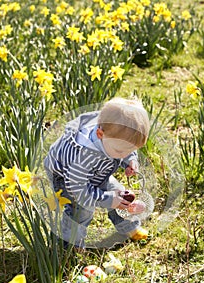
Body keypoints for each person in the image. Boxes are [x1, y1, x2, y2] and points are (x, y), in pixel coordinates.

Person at [44, 97, 150, 248]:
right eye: (121, 151)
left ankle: (128, 227)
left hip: (96, 169)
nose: (124, 154)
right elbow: (79, 190)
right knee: (82, 209)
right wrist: (107, 199)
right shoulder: (82, 155)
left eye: (131, 150)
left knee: (120, 193)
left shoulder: (113, 137)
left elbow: (125, 149)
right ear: (100, 134)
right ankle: (70, 244)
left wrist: (130, 160)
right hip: (67, 177)